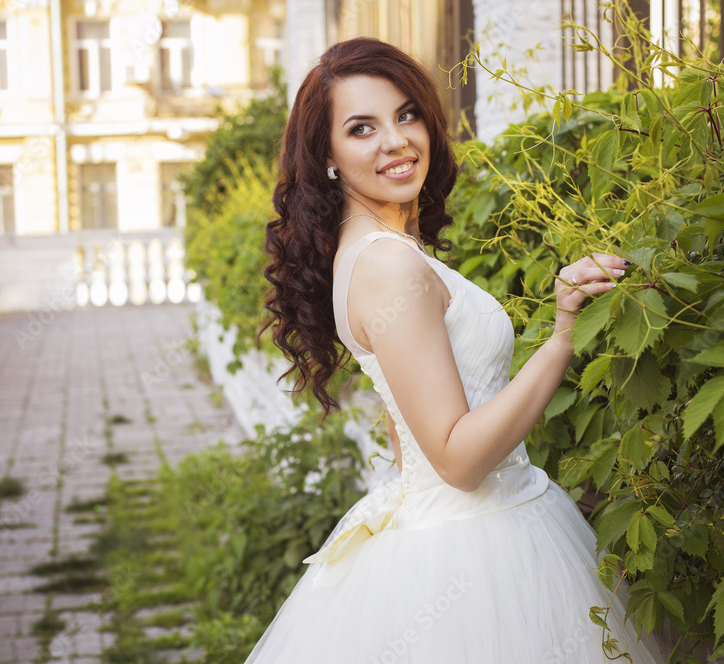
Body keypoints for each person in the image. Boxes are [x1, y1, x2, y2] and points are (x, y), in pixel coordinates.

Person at [251, 37, 666, 663]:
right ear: (327, 156)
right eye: (361, 128)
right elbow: (457, 460)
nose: (395, 141)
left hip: (451, 528)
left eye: (406, 114)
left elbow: (403, 431)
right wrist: (561, 333)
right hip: (474, 541)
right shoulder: (388, 266)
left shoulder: (375, 250)